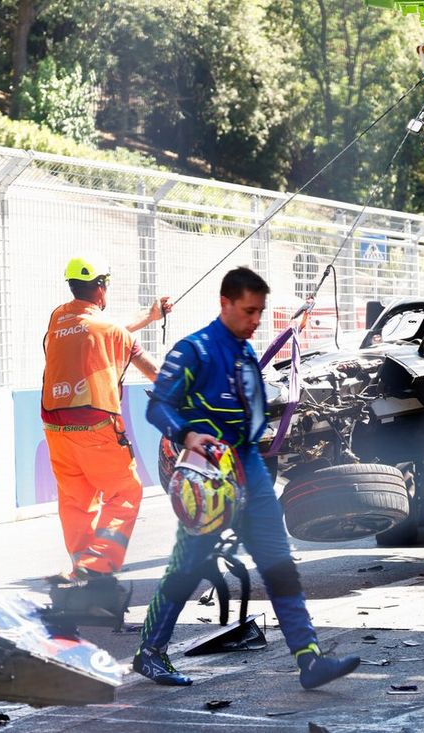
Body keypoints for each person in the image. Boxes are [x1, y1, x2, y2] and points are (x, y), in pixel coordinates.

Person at [134, 266, 360, 689]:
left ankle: (309, 658)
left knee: (279, 563)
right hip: (210, 475)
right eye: (249, 311)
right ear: (225, 304)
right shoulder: (193, 350)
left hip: (251, 469)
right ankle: (150, 652)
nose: (256, 320)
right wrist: (186, 433)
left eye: (260, 312)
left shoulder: (244, 352)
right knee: (189, 565)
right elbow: (157, 407)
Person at [41, 255, 171, 582]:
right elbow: (155, 372)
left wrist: (150, 315)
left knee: (75, 501)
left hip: (56, 429)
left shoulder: (58, 319)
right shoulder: (111, 332)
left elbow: (97, 327)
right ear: (101, 289)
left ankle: (80, 567)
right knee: (126, 493)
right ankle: (98, 564)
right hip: (96, 429)